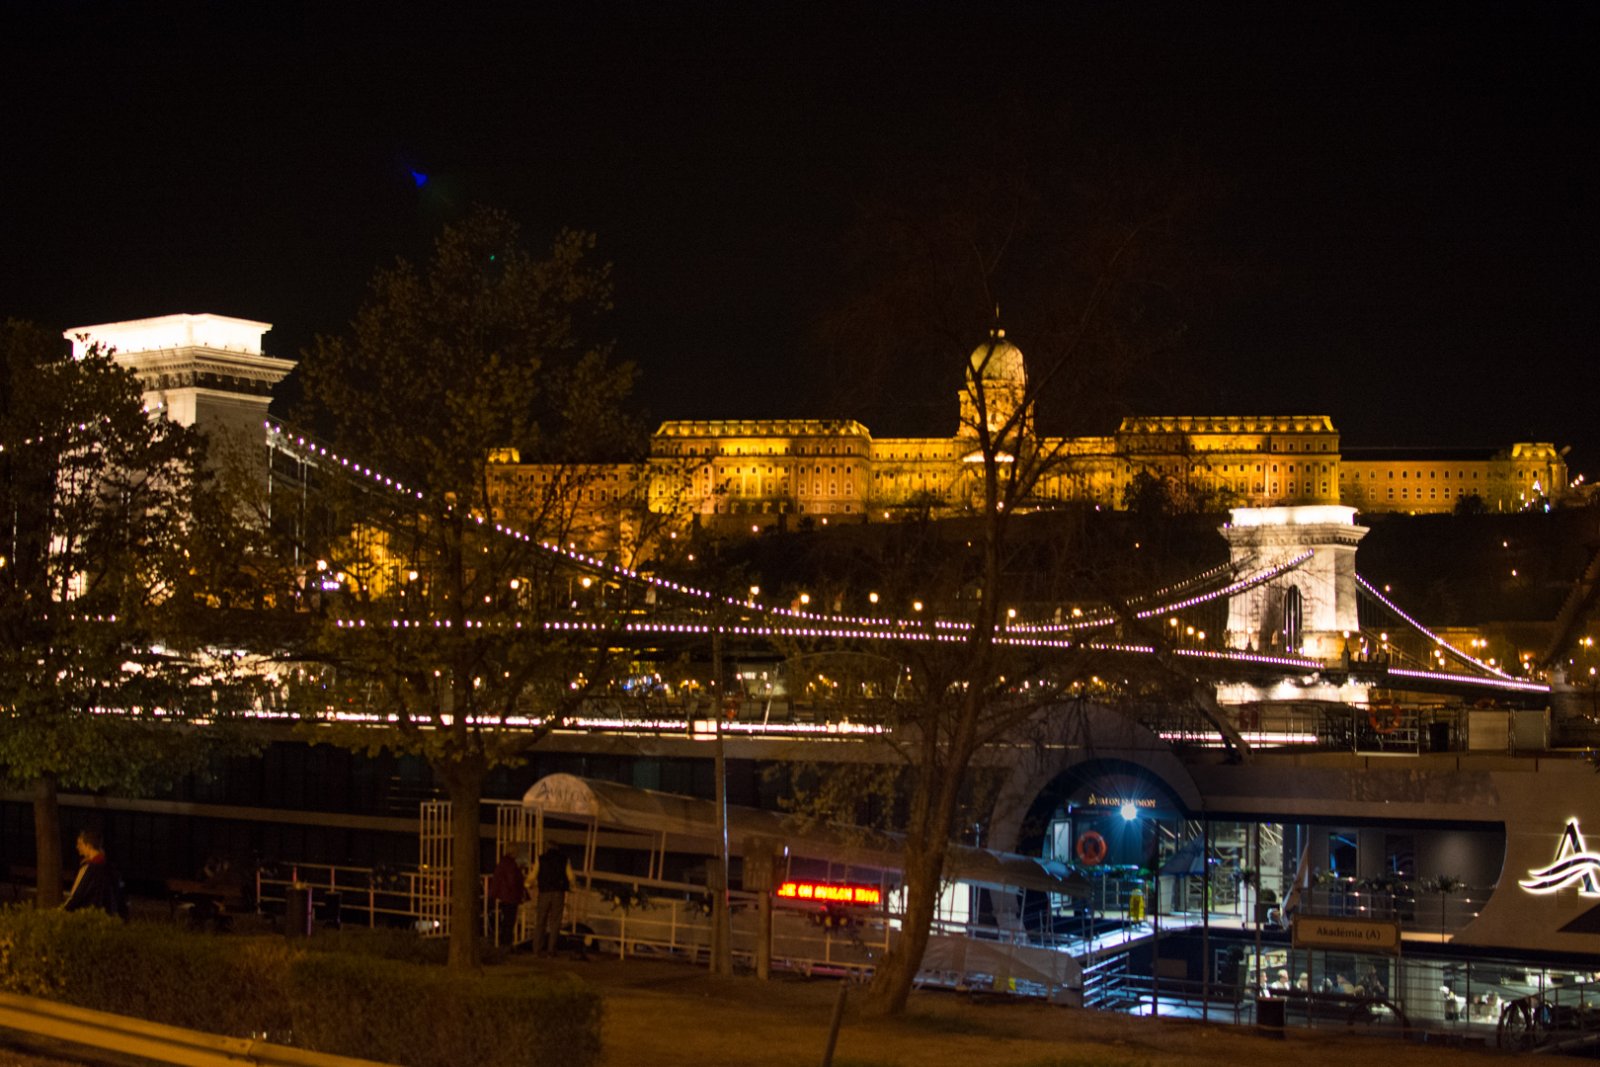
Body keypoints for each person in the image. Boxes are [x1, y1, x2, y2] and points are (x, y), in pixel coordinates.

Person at [62, 829, 126, 919]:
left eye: (81, 844)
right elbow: (119, 893)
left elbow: (77, 895)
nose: (78, 847)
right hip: (108, 916)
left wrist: (63, 910)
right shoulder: (111, 868)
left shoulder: (89, 868)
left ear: (88, 846)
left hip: (89, 916)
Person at [528, 844, 574, 958]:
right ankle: (551, 950)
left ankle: (537, 949)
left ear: (547, 848)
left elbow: (533, 874)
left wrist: (528, 883)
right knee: (555, 922)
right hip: (558, 893)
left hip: (544, 892)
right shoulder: (564, 859)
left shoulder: (540, 859)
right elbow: (571, 876)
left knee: (540, 921)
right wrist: (571, 886)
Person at [486, 850, 528, 948]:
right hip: (510, 896)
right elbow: (512, 880)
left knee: (505, 919)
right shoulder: (511, 865)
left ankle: (503, 940)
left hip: (502, 896)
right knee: (510, 920)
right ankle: (506, 941)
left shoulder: (502, 863)